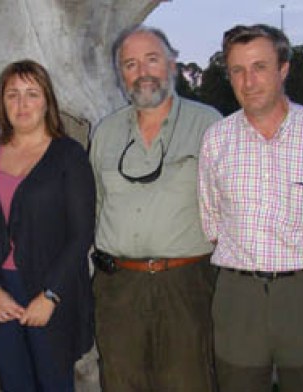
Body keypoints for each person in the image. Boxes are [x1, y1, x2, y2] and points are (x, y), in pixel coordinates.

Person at [198, 24, 303, 392]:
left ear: (283, 69)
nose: (248, 81)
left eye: (260, 67)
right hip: (238, 298)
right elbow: (211, 219)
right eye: (237, 70)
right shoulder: (216, 140)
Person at [89, 25, 222, 391]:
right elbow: (98, 203)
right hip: (119, 286)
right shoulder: (105, 132)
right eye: (130, 64)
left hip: (187, 284)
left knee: (190, 381)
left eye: (152, 59)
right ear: (120, 75)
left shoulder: (209, 124)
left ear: (172, 64)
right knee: (120, 381)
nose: (142, 72)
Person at [0, 59, 95, 392]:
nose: (22, 104)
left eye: (31, 94)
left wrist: (50, 295)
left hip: (49, 293)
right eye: (12, 95)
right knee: (14, 384)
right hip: (0, 295)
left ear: (47, 100)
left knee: (54, 384)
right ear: (1, 103)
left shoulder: (69, 156)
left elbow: (81, 235)